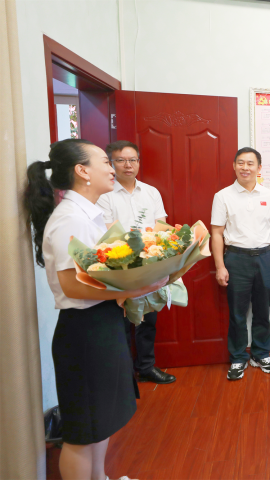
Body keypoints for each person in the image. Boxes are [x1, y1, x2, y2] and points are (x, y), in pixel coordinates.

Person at [24, 139, 167, 480]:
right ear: (82, 171)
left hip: (101, 323)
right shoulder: (70, 219)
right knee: (81, 432)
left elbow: (98, 274)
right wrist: (137, 287)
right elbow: (73, 286)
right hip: (84, 332)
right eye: (105, 161)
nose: (112, 167)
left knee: (100, 422)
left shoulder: (88, 214)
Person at [96, 140, 175, 385]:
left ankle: (146, 367)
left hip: (149, 264)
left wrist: (155, 252)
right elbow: (108, 232)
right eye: (120, 160)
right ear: (111, 164)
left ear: (139, 162)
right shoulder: (104, 194)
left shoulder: (151, 192)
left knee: (147, 320)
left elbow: (161, 226)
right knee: (119, 321)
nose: (127, 165)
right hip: (118, 266)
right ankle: (124, 375)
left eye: (132, 160)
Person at [210, 147, 270, 381]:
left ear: (259, 168)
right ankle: (237, 358)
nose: (245, 167)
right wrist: (220, 266)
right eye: (241, 163)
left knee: (263, 311)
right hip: (236, 259)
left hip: (264, 258)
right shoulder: (223, 196)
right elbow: (216, 234)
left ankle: (261, 354)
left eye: (250, 163)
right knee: (237, 313)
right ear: (234, 166)